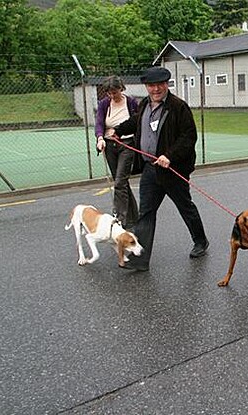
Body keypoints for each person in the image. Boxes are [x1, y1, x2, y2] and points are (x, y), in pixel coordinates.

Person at [113, 67, 209, 271]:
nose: (155, 89)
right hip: (150, 169)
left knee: (186, 207)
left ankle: (201, 241)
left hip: (173, 170)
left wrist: (169, 156)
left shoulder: (178, 107)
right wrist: (118, 130)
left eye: (160, 85)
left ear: (167, 84)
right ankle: (140, 260)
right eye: (151, 85)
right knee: (146, 213)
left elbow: (188, 136)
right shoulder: (145, 104)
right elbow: (136, 122)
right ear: (147, 87)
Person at [95, 76, 139, 229]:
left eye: (115, 92)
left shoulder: (131, 103)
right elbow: (99, 123)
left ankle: (120, 220)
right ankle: (134, 217)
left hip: (127, 144)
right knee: (121, 183)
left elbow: (137, 122)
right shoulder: (104, 104)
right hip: (109, 145)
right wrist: (100, 138)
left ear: (121, 88)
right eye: (109, 93)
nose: (112, 96)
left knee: (120, 182)